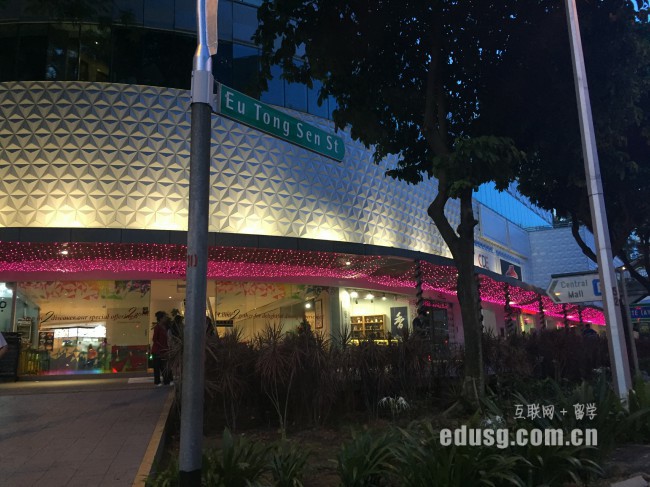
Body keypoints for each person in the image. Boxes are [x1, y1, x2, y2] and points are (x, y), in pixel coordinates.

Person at [152, 311, 173, 386]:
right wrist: (162, 346)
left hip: (164, 350)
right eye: (164, 317)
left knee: (165, 366)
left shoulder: (166, 327)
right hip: (157, 350)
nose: (166, 318)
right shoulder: (157, 327)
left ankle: (167, 380)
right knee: (157, 366)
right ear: (161, 319)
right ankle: (157, 381)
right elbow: (155, 339)